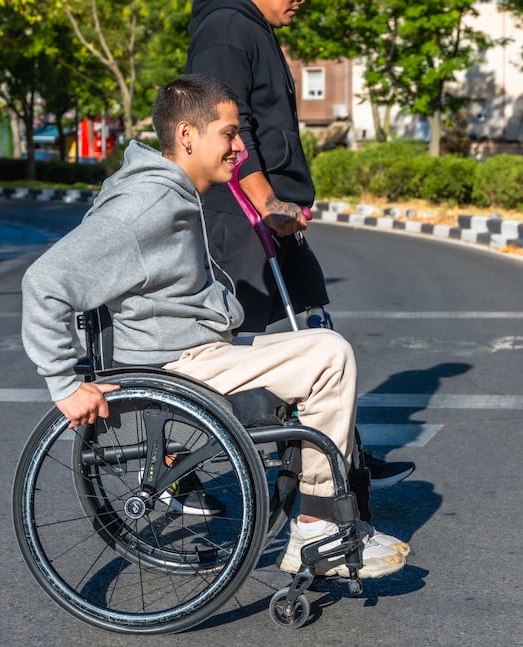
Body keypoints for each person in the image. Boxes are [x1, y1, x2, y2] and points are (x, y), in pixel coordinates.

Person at [21, 73, 408, 578]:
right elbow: (45, 280)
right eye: (229, 133)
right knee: (329, 356)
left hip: (190, 348)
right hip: (176, 364)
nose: (241, 147)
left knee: (320, 343)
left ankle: (320, 514)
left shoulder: (171, 194)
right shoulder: (147, 205)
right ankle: (318, 528)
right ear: (187, 135)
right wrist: (64, 383)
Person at [186, 0, 414, 488]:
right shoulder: (226, 28)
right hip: (241, 215)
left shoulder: (255, 27)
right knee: (228, 349)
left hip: (275, 216)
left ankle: (340, 457)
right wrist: (267, 201)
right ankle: (167, 462)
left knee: (309, 327)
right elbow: (228, 131)